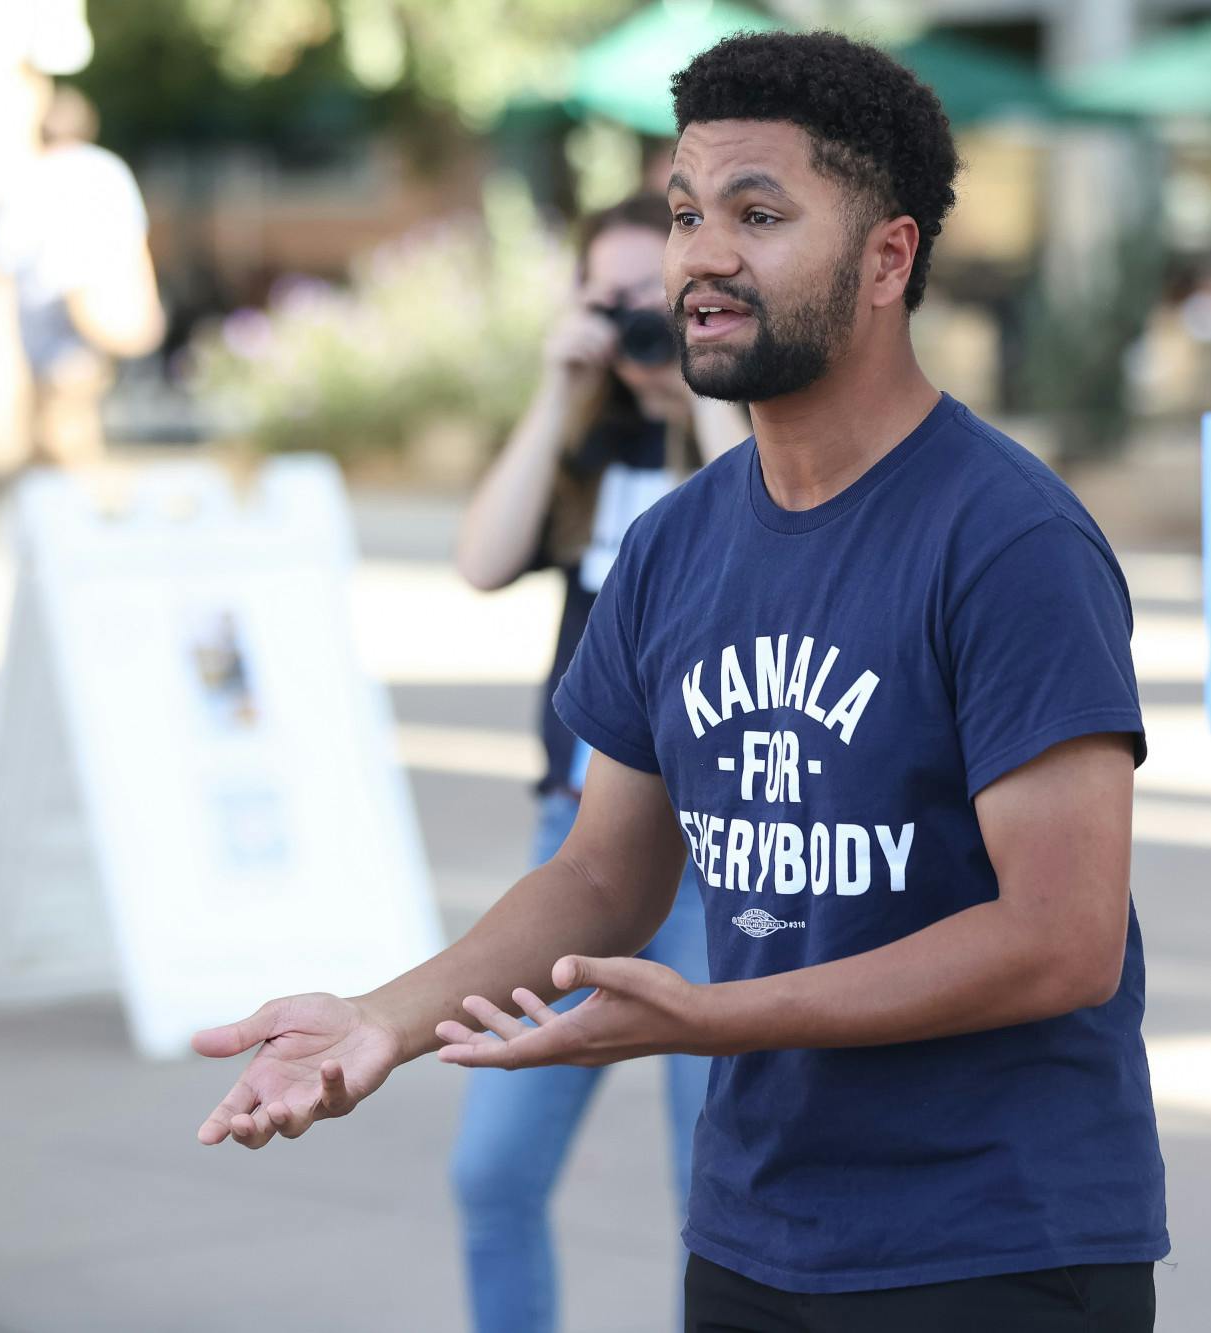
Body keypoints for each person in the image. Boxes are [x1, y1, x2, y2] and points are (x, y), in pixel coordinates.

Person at [194, 31, 1166, 1332]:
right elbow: (605, 872)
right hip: (753, 1237)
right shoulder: (673, 544)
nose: (699, 255)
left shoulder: (1008, 542)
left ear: (890, 257)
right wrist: (383, 1020)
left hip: (994, 1246)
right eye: (686, 213)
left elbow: (1062, 937)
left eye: (759, 214)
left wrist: (715, 1015)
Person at [448, 193, 749, 1333]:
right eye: (608, 299)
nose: (636, 326)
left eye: (657, 300)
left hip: (717, 864)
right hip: (573, 848)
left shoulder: (754, 446)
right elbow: (480, 561)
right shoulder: (589, 445)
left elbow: (750, 544)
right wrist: (555, 390)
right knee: (489, 1172)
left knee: (710, 1195)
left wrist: (706, 390)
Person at [0, 83, 162, 471]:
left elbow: (0, 258)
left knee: (57, 419)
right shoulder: (109, 171)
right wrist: (145, 305)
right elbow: (135, 245)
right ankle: (82, 492)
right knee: (79, 408)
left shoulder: (29, 178)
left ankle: (70, 498)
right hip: (99, 309)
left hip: (50, 312)